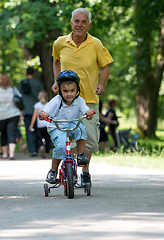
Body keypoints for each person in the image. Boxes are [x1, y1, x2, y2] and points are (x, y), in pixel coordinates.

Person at [51, 8, 113, 184]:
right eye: (76, 21)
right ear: (71, 23)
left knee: (89, 139)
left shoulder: (95, 44)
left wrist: (101, 85)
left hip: (88, 100)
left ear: (89, 25)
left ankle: (85, 172)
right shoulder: (60, 43)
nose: (79, 25)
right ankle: (67, 171)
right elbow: (56, 61)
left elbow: (106, 66)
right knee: (65, 135)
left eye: (83, 22)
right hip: (65, 101)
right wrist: (56, 81)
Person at [39, 70, 95, 184]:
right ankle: (53, 170)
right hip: (57, 127)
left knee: (81, 129)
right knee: (60, 147)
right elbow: (43, 112)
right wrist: (43, 114)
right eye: (65, 91)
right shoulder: (56, 101)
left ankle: (80, 155)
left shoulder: (79, 100)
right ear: (59, 90)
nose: (69, 94)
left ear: (77, 90)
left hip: (72, 124)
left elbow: (86, 111)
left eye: (72, 91)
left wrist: (88, 113)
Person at [0, 73, 21, 160]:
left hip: (0, 116)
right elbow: (20, 100)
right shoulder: (13, 89)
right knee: (12, 133)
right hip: (13, 114)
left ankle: (5, 154)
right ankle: (11, 154)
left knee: (3, 134)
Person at [18, 66, 44, 157]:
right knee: (38, 130)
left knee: (29, 130)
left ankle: (32, 150)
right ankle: (39, 146)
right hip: (38, 110)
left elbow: (18, 98)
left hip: (26, 110)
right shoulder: (38, 83)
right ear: (34, 74)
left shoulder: (21, 83)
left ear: (26, 73)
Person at [29, 90, 51, 158]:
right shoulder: (49, 104)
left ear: (39, 97)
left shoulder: (37, 105)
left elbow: (34, 116)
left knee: (39, 137)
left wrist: (31, 125)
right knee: (48, 139)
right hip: (47, 125)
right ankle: (47, 153)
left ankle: (41, 145)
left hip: (40, 125)